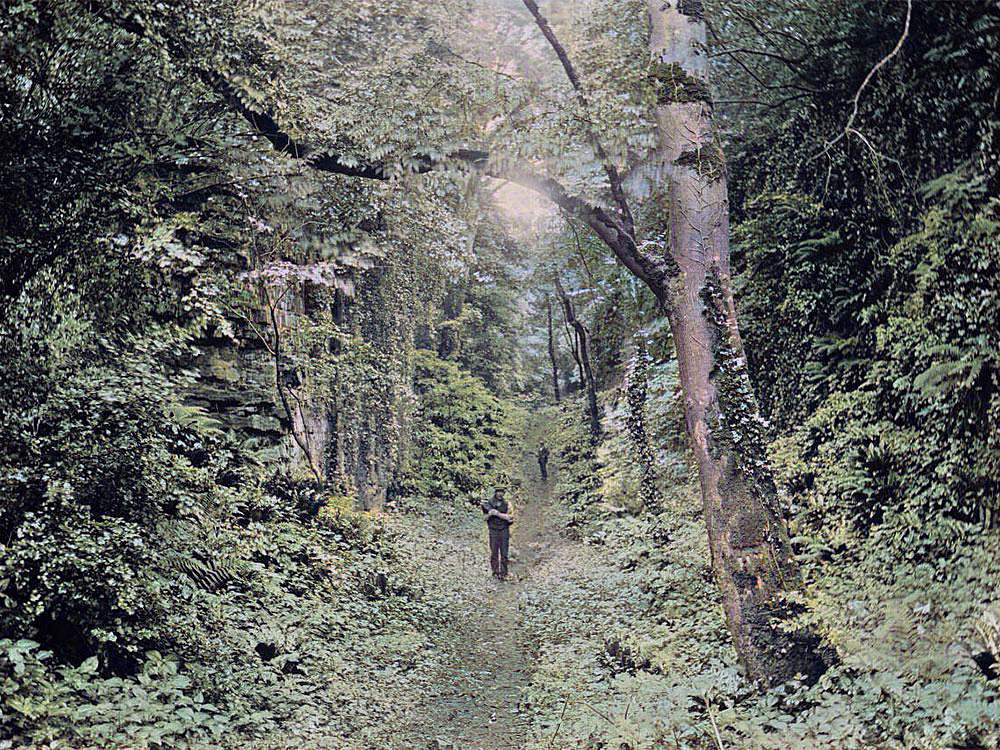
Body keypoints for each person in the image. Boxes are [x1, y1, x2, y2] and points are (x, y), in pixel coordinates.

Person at [481, 485, 513, 580]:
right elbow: (484, 518)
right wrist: (490, 514)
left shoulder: (507, 504)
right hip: (493, 530)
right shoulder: (489, 503)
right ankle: (495, 572)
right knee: (494, 552)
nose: (500, 493)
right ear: (495, 492)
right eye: (498, 491)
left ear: (504, 493)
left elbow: (510, 518)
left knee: (504, 553)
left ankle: (504, 573)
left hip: (504, 530)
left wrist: (498, 514)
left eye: (501, 492)